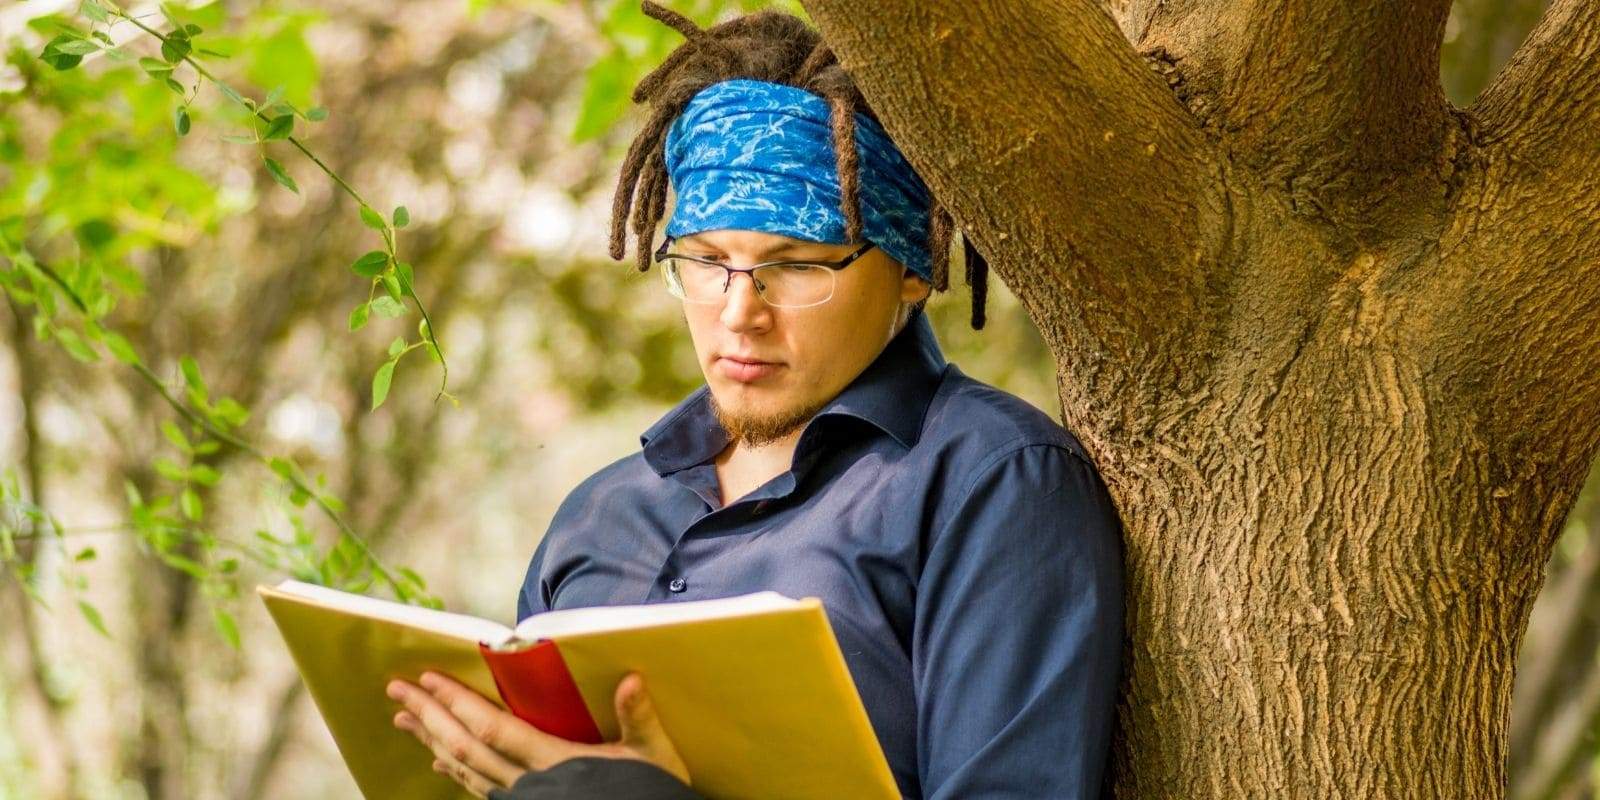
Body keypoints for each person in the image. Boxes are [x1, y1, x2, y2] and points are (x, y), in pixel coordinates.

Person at [385, 3, 1125, 798]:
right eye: (705, 260)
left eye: (799, 266)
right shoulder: (600, 512)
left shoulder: (993, 481)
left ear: (910, 267)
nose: (740, 312)